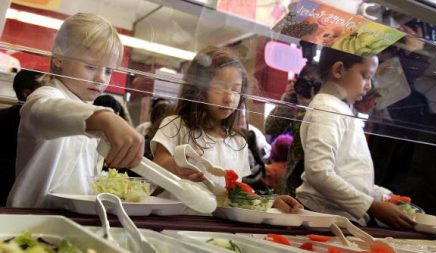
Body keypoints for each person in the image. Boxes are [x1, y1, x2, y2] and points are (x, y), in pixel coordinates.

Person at [7, 13, 144, 208]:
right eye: (91, 67)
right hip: (32, 219)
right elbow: (46, 110)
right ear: (59, 59)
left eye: (108, 71)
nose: (101, 79)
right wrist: (105, 118)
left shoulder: (92, 111)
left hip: (74, 220)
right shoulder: (45, 96)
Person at [151, 46, 302, 213]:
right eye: (219, 88)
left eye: (236, 90)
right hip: (177, 223)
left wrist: (271, 202)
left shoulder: (238, 142)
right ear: (199, 90)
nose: (229, 98)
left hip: (218, 230)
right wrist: (172, 167)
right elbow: (153, 181)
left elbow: (235, 195)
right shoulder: (175, 125)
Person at [296, 47, 415, 229]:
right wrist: (371, 206)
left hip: (341, 216)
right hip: (326, 217)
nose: (368, 86)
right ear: (339, 70)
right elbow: (318, 172)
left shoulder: (339, 108)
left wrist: (383, 197)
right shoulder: (327, 108)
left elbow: (350, 175)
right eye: (365, 76)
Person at [264, 64, 321, 196]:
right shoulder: (297, 105)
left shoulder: (327, 109)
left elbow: (306, 139)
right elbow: (271, 128)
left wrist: (310, 107)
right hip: (289, 185)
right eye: (304, 83)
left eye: (314, 85)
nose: (308, 89)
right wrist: (287, 101)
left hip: (312, 190)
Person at [0, 69, 42, 206]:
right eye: (44, 91)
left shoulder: (3, 114)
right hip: (21, 184)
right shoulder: (38, 120)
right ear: (27, 94)